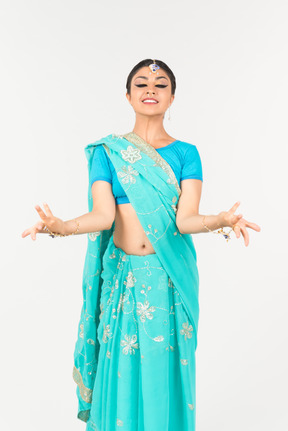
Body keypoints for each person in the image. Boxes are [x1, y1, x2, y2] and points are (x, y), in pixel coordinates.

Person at [21, 58, 261, 431]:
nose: (151, 89)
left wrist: (221, 220)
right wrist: (62, 226)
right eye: (142, 83)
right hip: (124, 281)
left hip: (168, 282)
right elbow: (103, 215)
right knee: (119, 370)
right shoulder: (108, 152)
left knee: (164, 378)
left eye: (160, 83)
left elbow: (185, 220)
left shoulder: (186, 154)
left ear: (173, 96)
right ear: (128, 95)